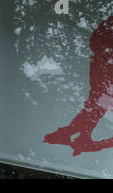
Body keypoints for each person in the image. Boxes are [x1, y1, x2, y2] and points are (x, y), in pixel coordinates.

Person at [43, 12, 113, 155]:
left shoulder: (101, 67)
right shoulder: (100, 67)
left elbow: (98, 102)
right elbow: (98, 101)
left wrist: (81, 135)